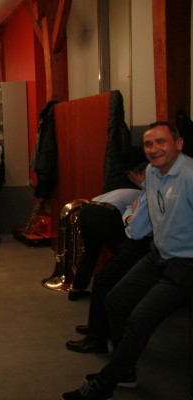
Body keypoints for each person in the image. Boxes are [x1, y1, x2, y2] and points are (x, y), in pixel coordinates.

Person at [62, 121, 193, 400]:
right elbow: (145, 218)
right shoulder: (152, 172)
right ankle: (126, 370)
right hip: (158, 253)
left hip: (185, 263)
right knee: (115, 300)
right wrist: (132, 224)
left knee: (139, 318)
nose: (154, 149)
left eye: (161, 142)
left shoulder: (190, 177)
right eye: (149, 144)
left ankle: (105, 384)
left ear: (179, 144)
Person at [66, 148, 150, 355]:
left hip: (89, 211)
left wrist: (130, 217)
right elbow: (130, 218)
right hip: (104, 215)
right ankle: (99, 330)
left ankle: (82, 298)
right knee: (108, 277)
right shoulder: (143, 191)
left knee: (99, 266)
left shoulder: (144, 190)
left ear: (134, 173)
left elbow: (134, 222)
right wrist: (129, 217)